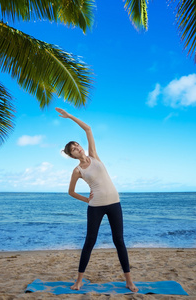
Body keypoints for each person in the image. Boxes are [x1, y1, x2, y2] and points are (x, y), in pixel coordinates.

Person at [55, 107, 138, 293]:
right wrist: (87, 200)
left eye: (76, 145)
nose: (77, 148)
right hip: (95, 207)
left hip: (114, 203)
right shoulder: (78, 171)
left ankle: (129, 280)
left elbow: (88, 129)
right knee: (89, 242)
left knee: (119, 241)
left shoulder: (94, 156)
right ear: (71, 156)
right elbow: (71, 192)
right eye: (73, 149)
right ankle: (79, 281)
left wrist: (69, 117)